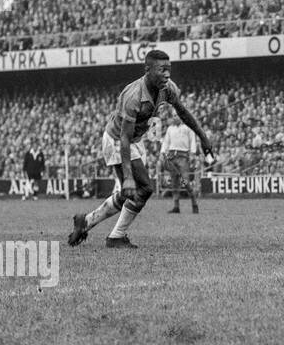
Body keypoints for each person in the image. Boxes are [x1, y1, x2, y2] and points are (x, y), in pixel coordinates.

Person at [67, 50, 214, 249]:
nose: (167, 74)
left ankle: (86, 221)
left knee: (134, 192)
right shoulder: (133, 95)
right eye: (162, 70)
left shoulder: (167, 88)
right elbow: (123, 137)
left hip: (135, 140)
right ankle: (115, 236)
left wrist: (203, 138)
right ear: (148, 70)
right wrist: (127, 176)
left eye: (169, 69)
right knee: (141, 188)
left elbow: (183, 112)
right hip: (117, 140)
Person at [160, 110, 202, 214]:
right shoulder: (170, 129)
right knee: (174, 182)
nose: (175, 117)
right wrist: (162, 152)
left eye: (177, 115)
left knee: (185, 182)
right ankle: (176, 206)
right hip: (172, 157)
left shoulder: (188, 127)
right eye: (173, 115)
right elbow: (166, 142)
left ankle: (194, 203)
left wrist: (192, 153)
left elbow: (193, 140)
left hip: (183, 157)